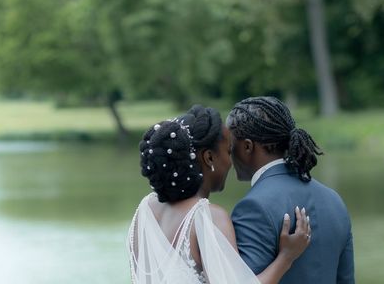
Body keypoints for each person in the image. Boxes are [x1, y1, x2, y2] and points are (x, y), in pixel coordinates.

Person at [127, 105, 311, 284]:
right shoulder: (208, 217)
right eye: (228, 151)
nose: (231, 162)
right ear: (209, 158)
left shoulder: (145, 210)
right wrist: (286, 257)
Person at [227, 96, 355, 284]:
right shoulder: (334, 199)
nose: (229, 154)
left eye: (231, 147)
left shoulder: (253, 207)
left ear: (247, 146)